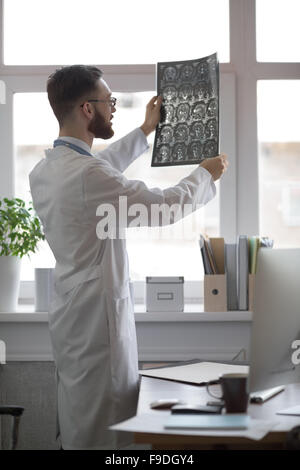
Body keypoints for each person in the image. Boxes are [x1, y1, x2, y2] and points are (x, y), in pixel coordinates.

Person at [29, 65, 228, 450]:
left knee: (83, 423)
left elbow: (99, 167)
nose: (114, 108)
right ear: (89, 109)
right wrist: (204, 175)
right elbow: (161, 206)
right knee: (101, 435)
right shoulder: (87, 175)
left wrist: (145, 131)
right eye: (109, 101)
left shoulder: (47, 170)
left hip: (75, 318)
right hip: (96, 326)